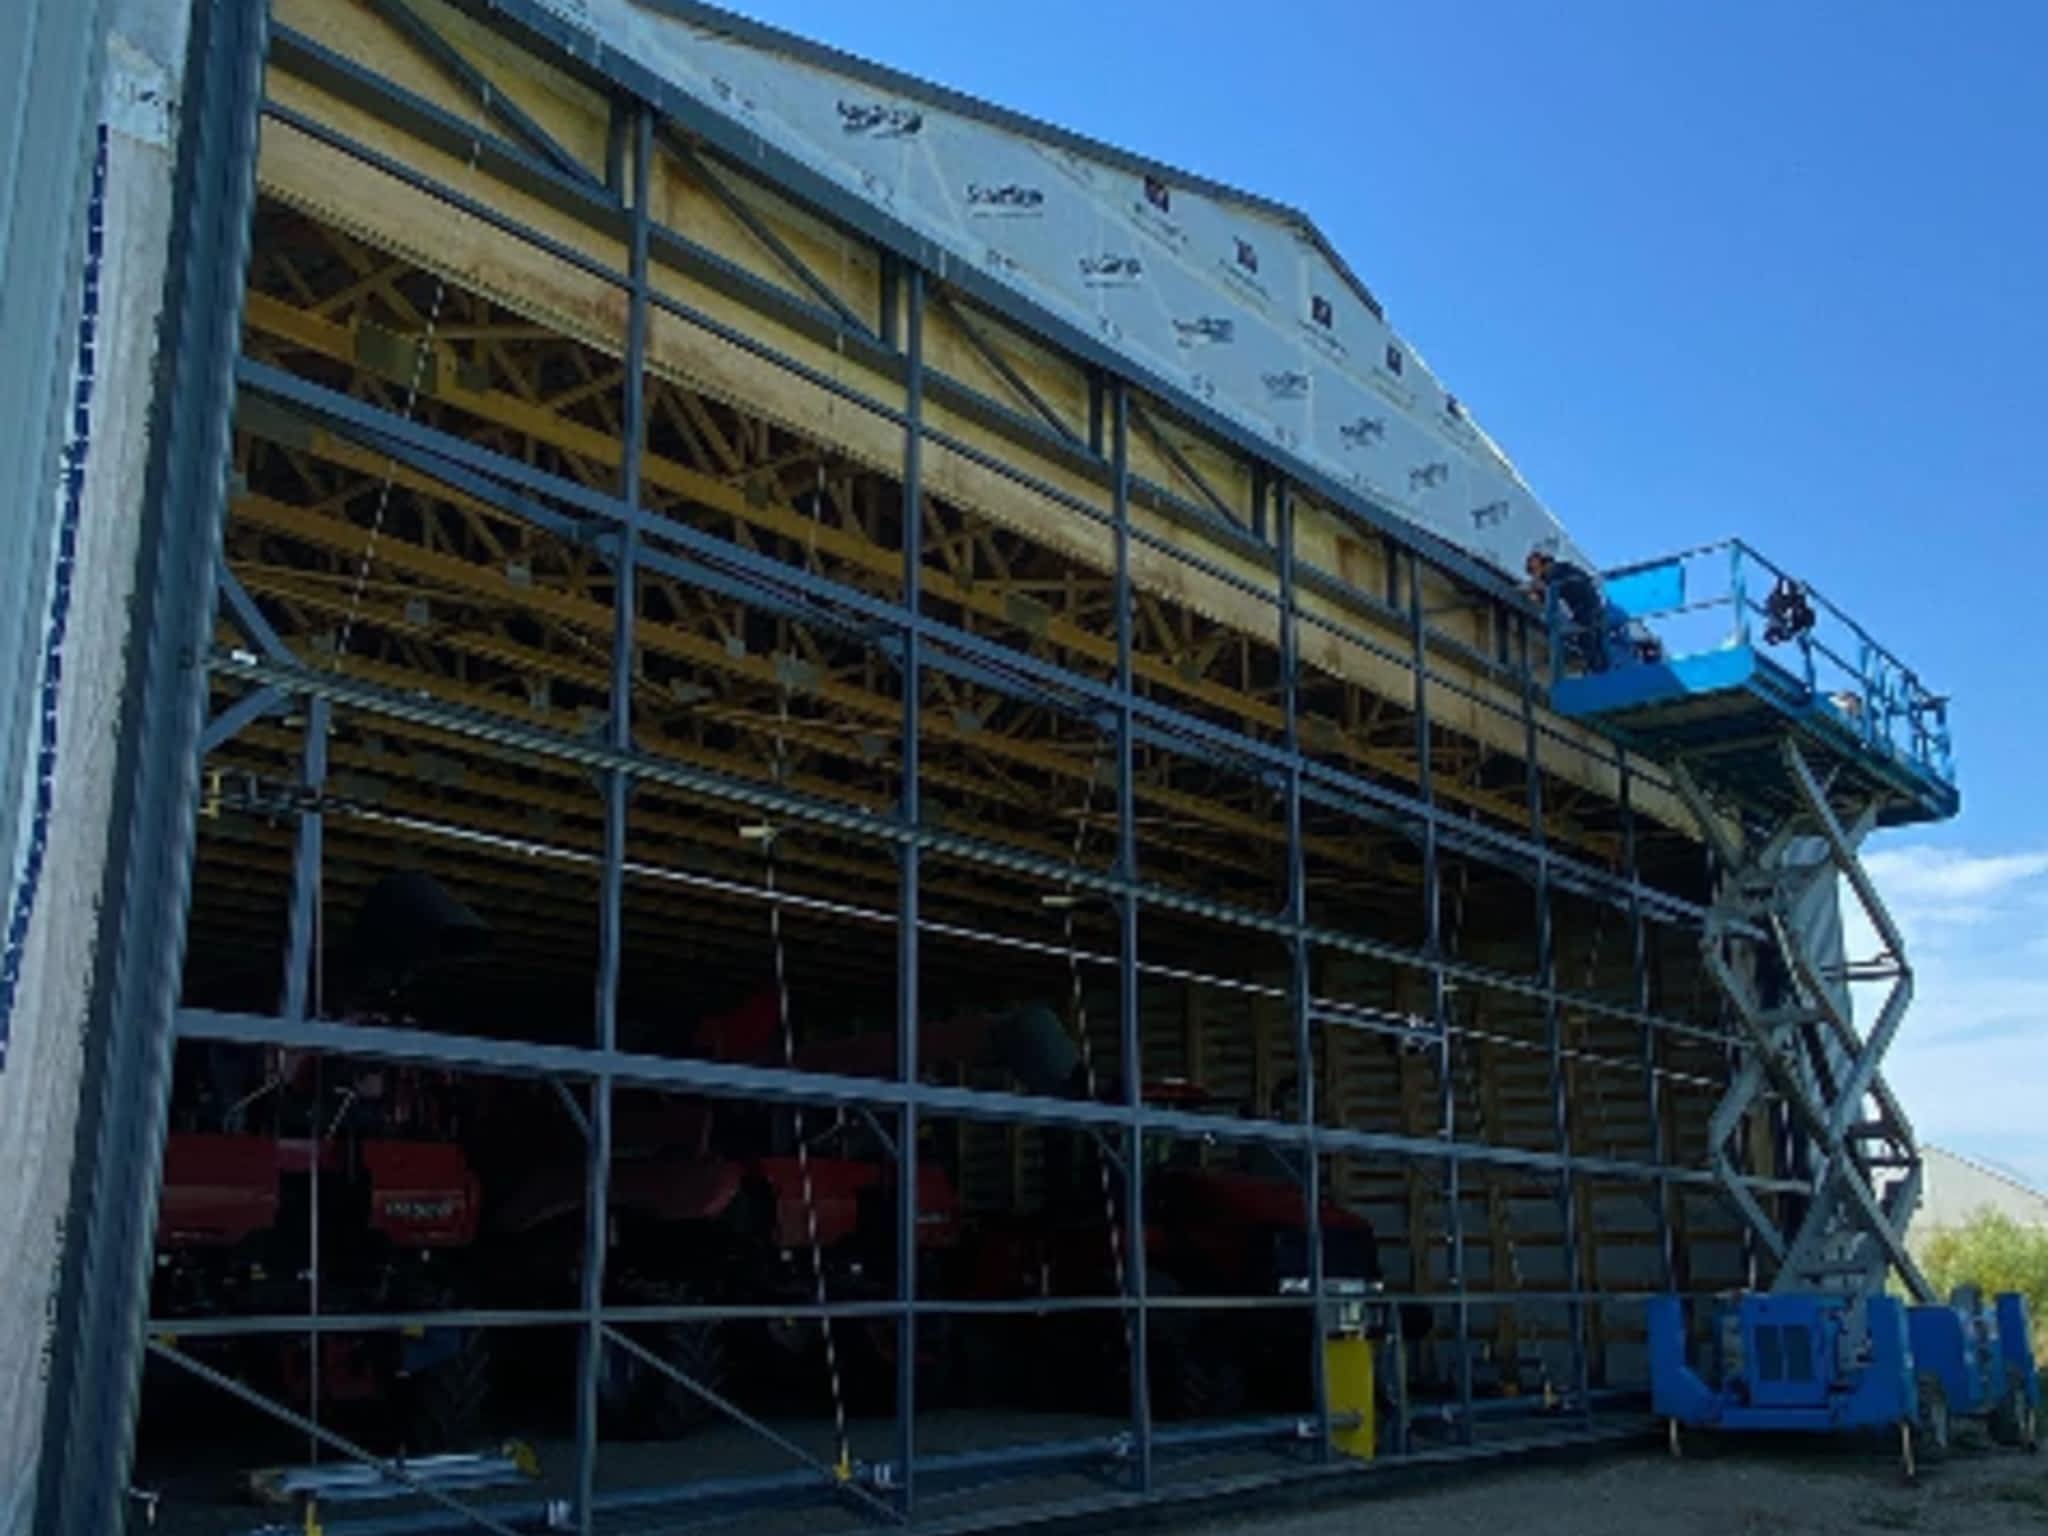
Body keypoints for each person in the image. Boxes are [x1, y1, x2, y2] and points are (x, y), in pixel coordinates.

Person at [1524, 547, 1612, 673]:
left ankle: (1599, 671)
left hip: (1586, 608)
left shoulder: (1556, 570)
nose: (1535, 574)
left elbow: (1549, 586)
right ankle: (1599, 670)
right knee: (1592, 642)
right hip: (1587, 608)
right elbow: (1548, 595)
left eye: (1534, 569)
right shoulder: (1561, 571)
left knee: (1589, 641)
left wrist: (1535, 586)